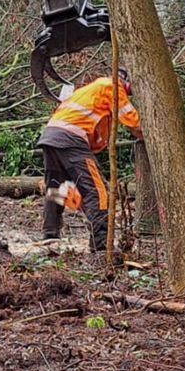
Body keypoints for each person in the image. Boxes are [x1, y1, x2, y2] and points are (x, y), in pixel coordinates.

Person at [38, 70, 141, 252]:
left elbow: (97, 137)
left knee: (56, 186)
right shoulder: (111, 85)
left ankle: (50, 234)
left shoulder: (90, 91)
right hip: (71, 138)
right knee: (98, 191)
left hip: (51, 135)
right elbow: (133, 122)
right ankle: (100, 244)